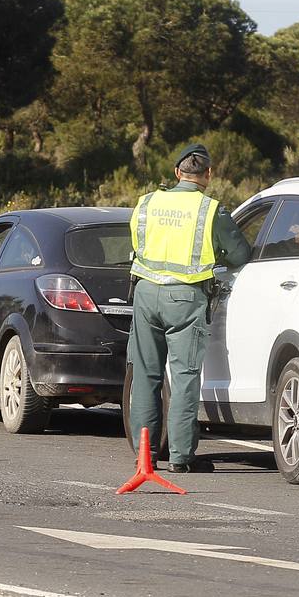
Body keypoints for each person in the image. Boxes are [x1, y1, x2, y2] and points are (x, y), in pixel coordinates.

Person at [126, 143, 251, 472]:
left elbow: (138, 245)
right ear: (208, 175)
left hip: (145, 292)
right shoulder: (210, 210)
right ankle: (181, 458)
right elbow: (240, 255)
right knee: (184, 378)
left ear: (177, 173)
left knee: (146, 376)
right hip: (185, 298)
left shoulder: (147, 203)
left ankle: (145, 455)